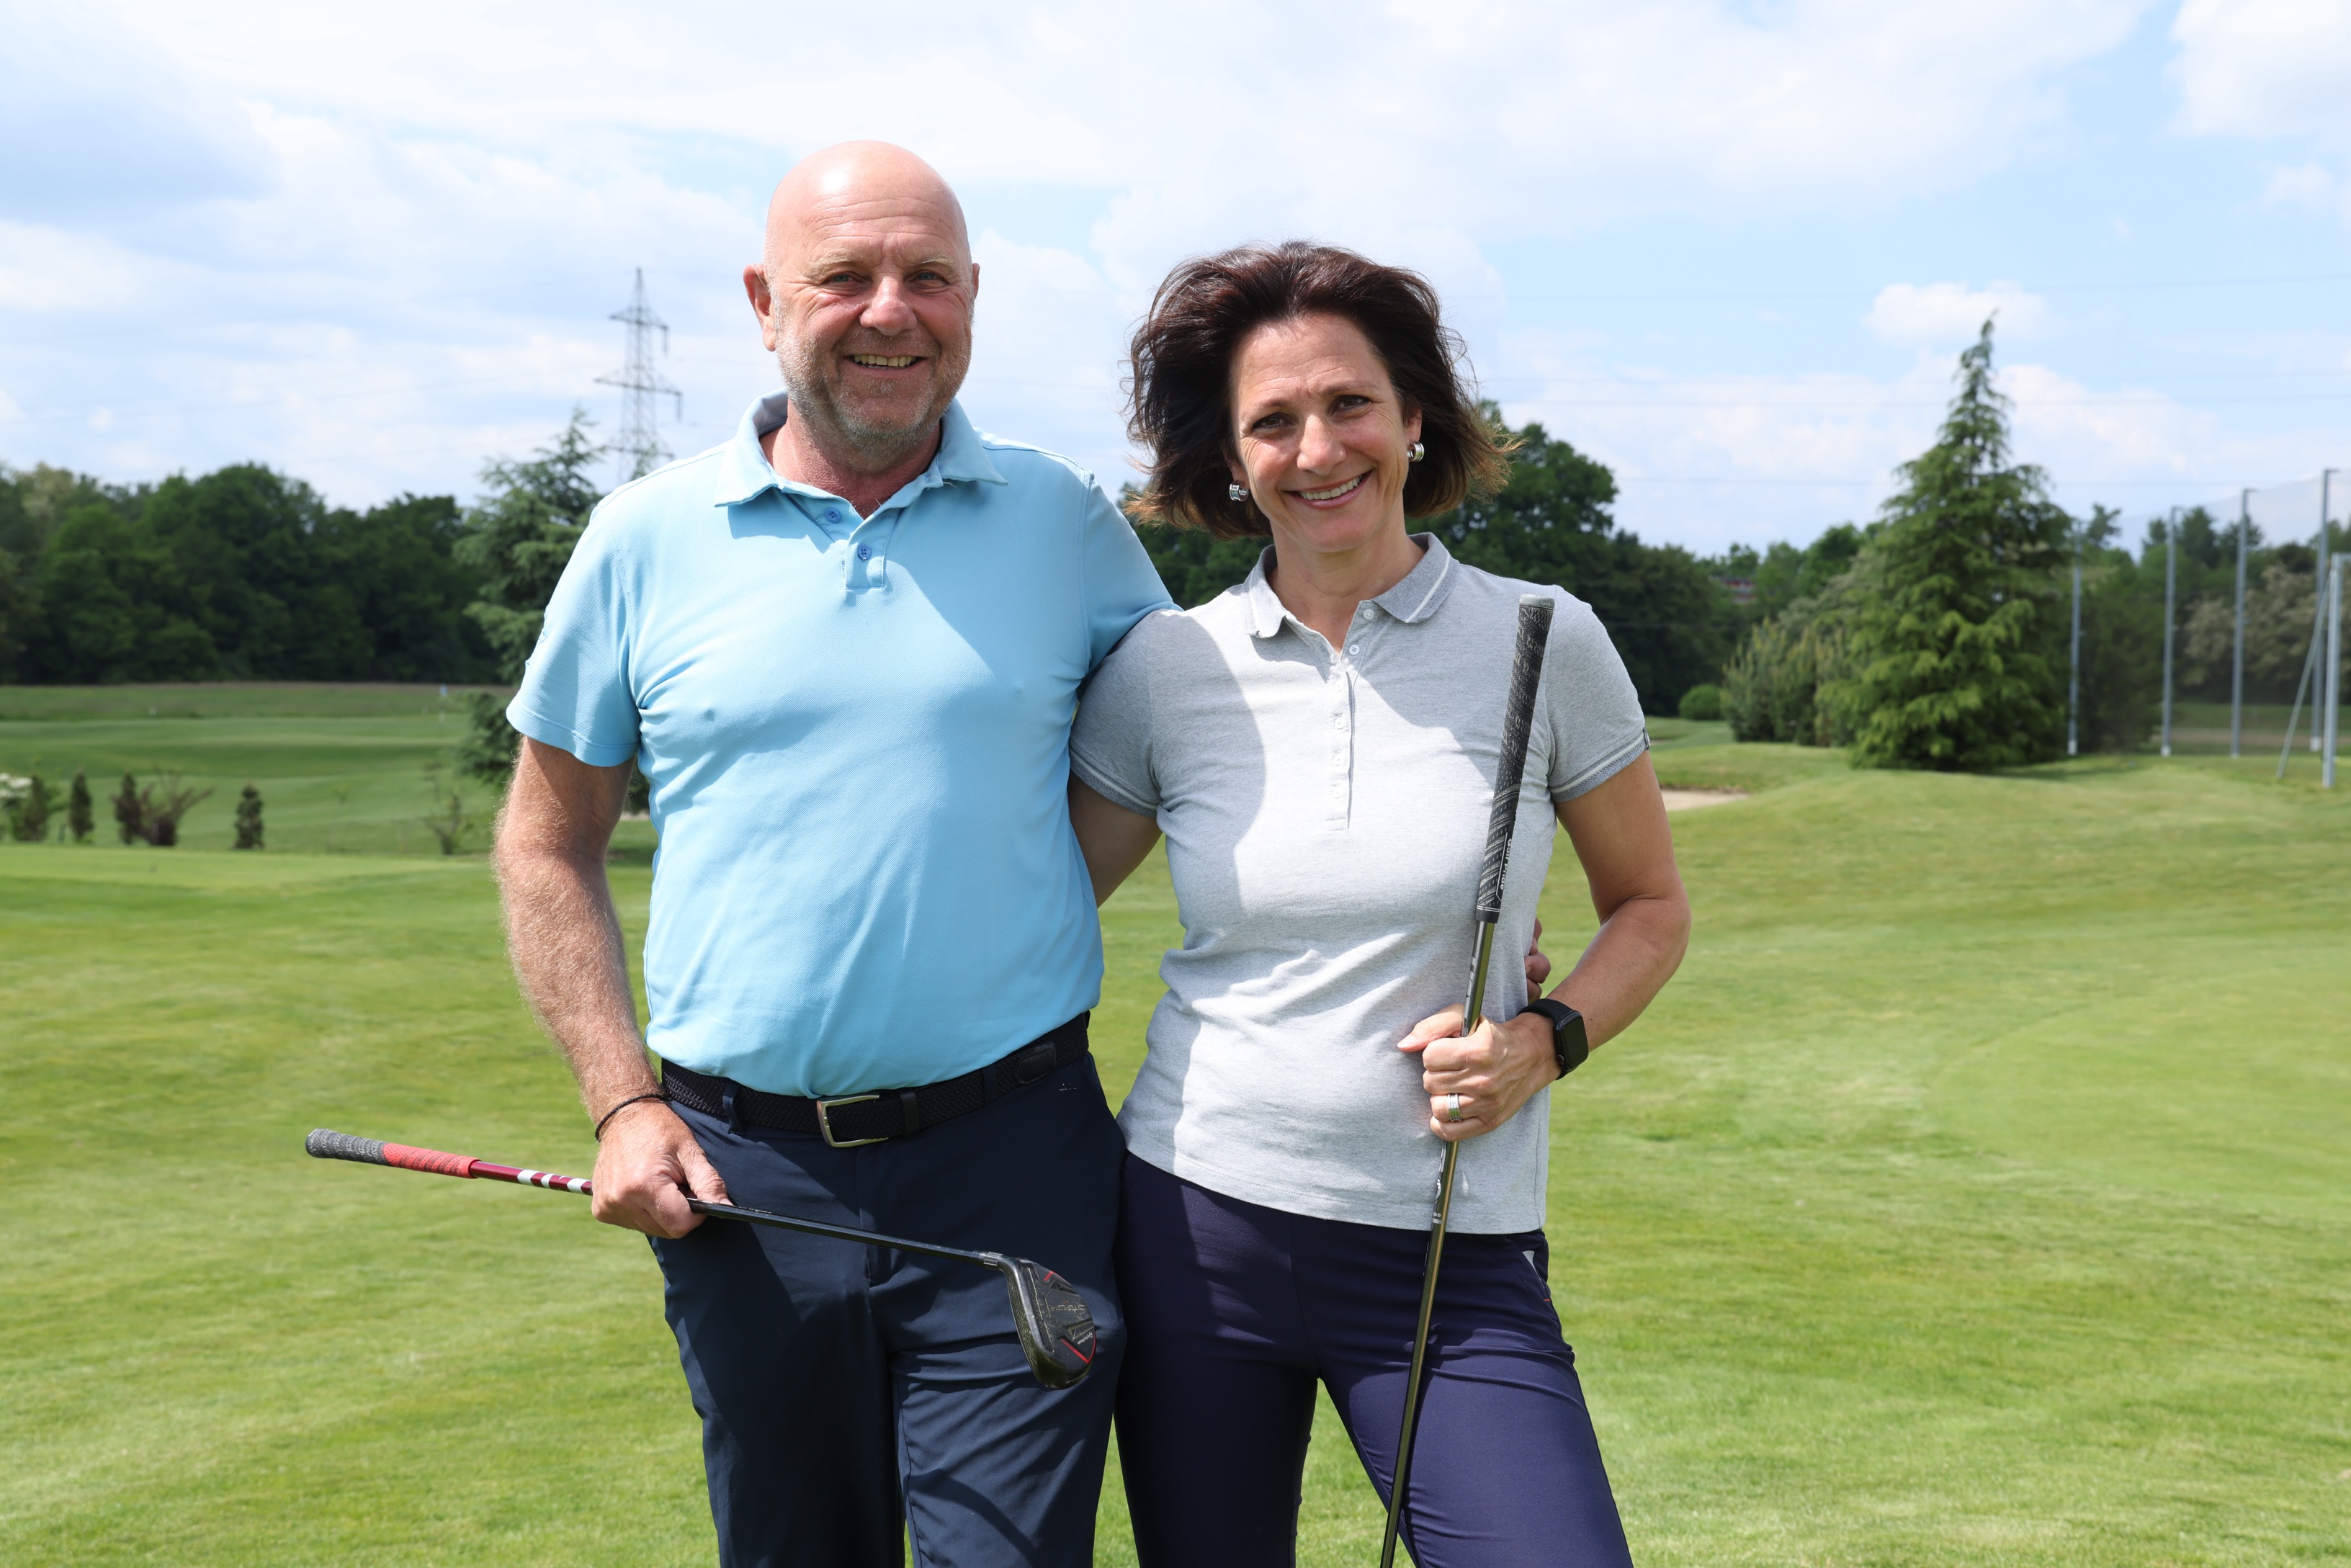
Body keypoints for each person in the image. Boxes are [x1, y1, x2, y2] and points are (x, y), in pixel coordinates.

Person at [492, 142, 1172, 1568]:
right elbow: (547, 844)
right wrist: (621, 1102)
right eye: (844, 277)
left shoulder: (1066, 523)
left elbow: (1205, 757)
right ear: (762, 300)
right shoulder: (641, 539)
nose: (891, 310)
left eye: (928, 276)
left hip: (1019, 1164)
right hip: (745, 1181)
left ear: (974, 295)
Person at [1067, 242, 1691, 1567]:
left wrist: (1545, 1039)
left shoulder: (1546, 635)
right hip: (1193, 1228)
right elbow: (1036, 911)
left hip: (1451, 1256)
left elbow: (1648, 905)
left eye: (1350, 403)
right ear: (1233, 461)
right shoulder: (1164, 669)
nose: (1317, 446)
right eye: (1273, 421)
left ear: (1417, 418)